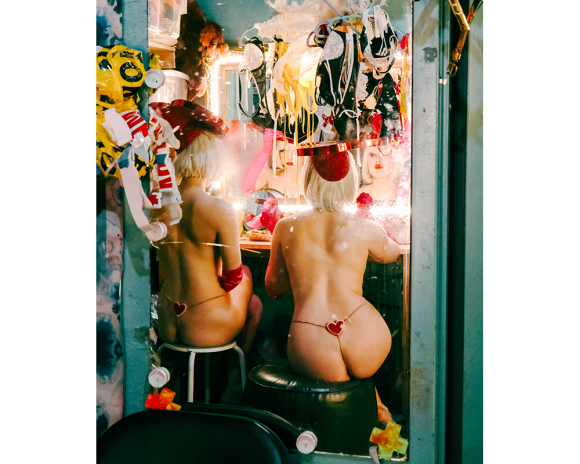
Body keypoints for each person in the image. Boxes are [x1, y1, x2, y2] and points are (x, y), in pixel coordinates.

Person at [265, 151, 401, 423]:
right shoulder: (364, 228)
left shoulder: (286, 227)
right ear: (350, 183)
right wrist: (368, 224)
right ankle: (386, 431)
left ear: (307, 181)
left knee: (344, 408)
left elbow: (274, 288)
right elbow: (392, 253)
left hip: (312, 340)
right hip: (364, 334)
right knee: (365, 393)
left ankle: (350, 434)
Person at [150, 100, 262, 404]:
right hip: (207, 325)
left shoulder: (158, 205)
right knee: (249, 284)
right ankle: (234, 382)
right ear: (213, 157)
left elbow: (160, 270)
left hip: (168, 322)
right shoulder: (219, 209)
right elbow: (233, 277)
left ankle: (175, 387)